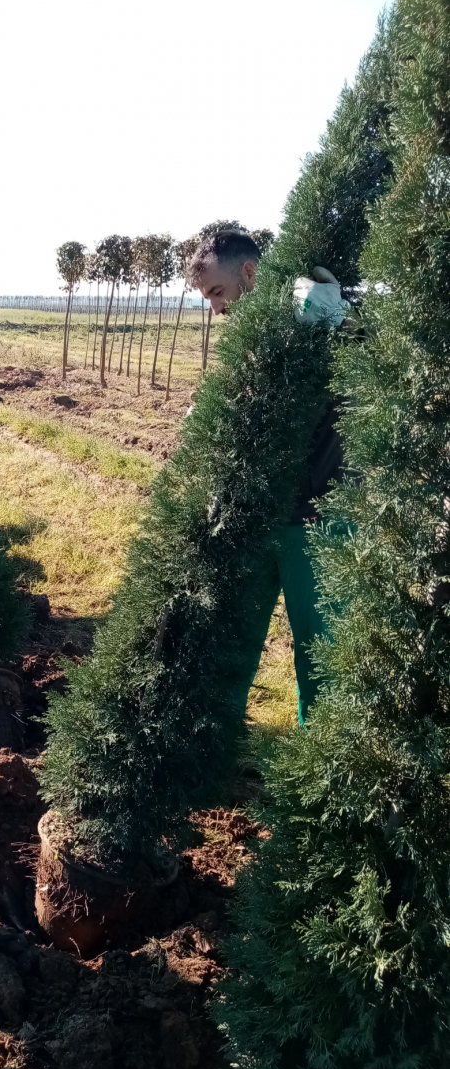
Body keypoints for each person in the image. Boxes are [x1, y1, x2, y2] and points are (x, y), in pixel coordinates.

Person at [189, 228, 347, 725]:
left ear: (249, 272)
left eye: (218, 292)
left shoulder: (307, 313)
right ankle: (218, 748)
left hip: (315, 519)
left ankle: (322, 757)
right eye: (207, 298)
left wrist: (341, 319)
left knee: (321, 653)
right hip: (256, 516)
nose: (216, 309)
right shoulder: (252, 341)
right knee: (232, 639)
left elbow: (365, 365)